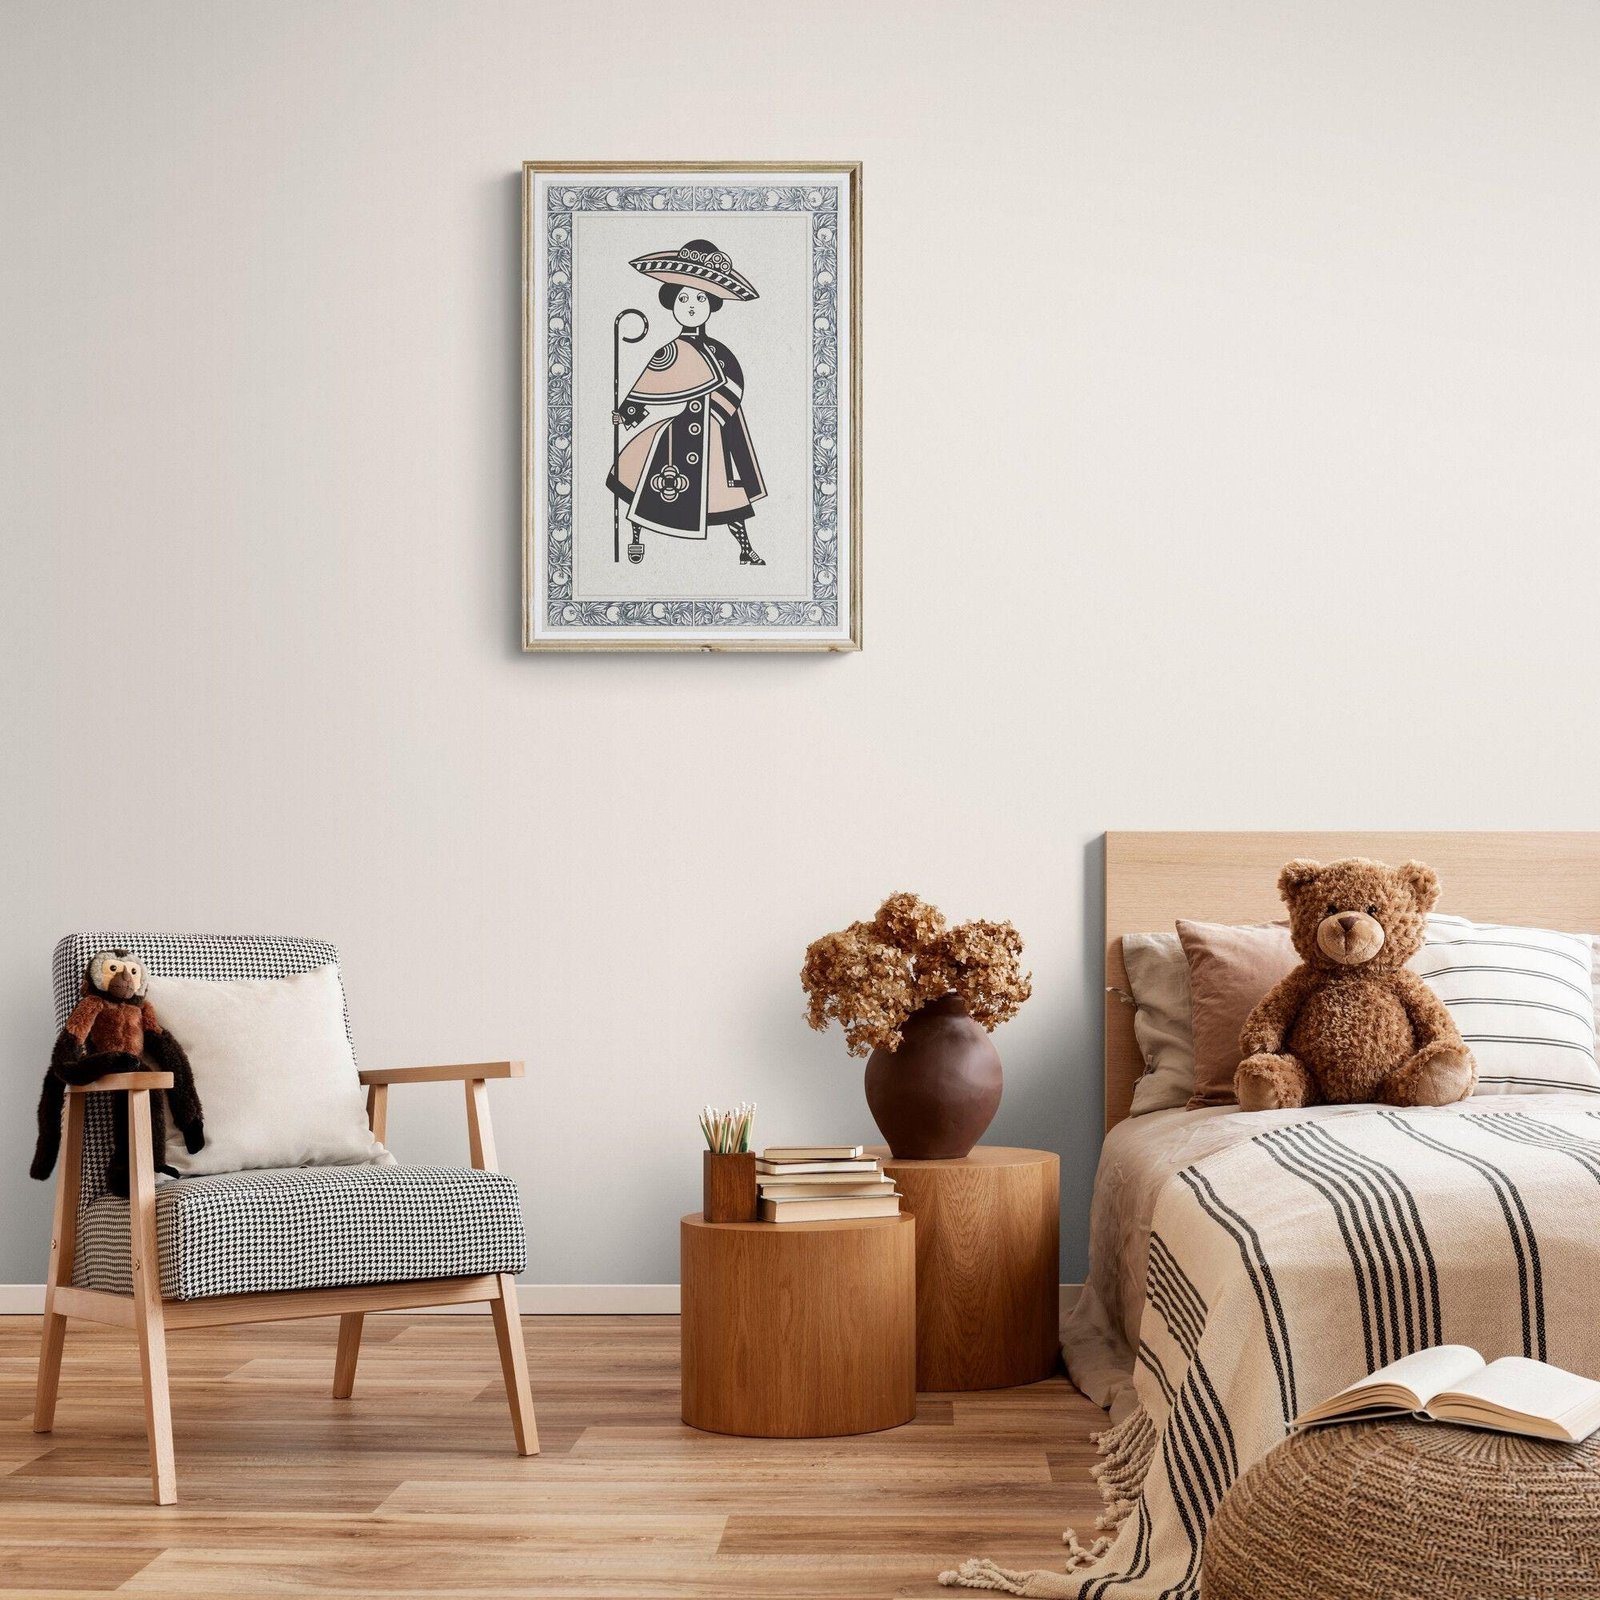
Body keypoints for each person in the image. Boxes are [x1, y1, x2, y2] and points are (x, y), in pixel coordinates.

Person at [606, 240, 768, 565]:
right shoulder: (669, 351)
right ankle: (636, 540)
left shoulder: (719, 353)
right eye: (683, 297)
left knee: (723, 493)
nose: (691, 305)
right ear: (673, 303)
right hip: (677, 431)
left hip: (713, 430)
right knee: (643, 478)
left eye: (699, 298)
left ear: (710, 304)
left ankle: (746, 549)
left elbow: (734, 385)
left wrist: (718, 417)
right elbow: (648, 387)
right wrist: (625, 415)